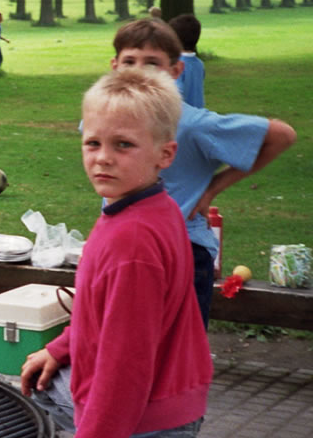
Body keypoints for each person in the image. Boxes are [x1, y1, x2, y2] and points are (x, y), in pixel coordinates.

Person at [22, 66, 213, 438]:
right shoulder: (142, 207)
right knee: (38, 388)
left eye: (123, 145)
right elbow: (102, 313)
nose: (103, 158)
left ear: (166, 154)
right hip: (167, 407)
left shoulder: (133, 243)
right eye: (93, 142)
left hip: (140, 427)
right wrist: (59, 348)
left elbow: (125, 367)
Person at [110, 18, 297, 327]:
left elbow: (282, 135)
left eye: (152, 63)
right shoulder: (105, 117)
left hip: (183, 251)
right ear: (115, 66)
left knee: (180, 353)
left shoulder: (193, 124)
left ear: (175, 71)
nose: (140, 71)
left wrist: (212, 188)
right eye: (130, 61)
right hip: (127, 249)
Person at [168, 14, 205, 108]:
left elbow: (175, 93)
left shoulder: (176, 65)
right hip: (198, 113)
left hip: (182, 117)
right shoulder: (199, 64)